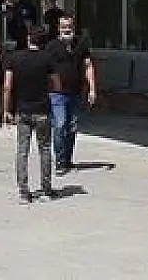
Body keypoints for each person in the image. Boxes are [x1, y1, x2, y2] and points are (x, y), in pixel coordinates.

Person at [3, 26, 58, 203]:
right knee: (45, 149)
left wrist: (6, 110)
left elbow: (7, 86)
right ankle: (46, 189)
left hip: (22, 110)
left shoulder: (15, 58)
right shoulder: (47, 59)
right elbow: (57, 84)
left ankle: (24, 191)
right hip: (42, 110)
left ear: (28, 38)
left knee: (22, 150)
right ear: (43, 41)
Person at [46, 13, 96, 175]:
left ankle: (67, 160)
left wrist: (92, 88)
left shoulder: (81, 45)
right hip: (57, 93)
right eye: (63, 27)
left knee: (72, 126)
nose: (66, 30)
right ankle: (60, 161)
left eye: (69, 27)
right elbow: (44, 68)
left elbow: (88, 66)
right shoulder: (52, 46)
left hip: (75, 92)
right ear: (58, 29)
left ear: (74, 28)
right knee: (60, 125)